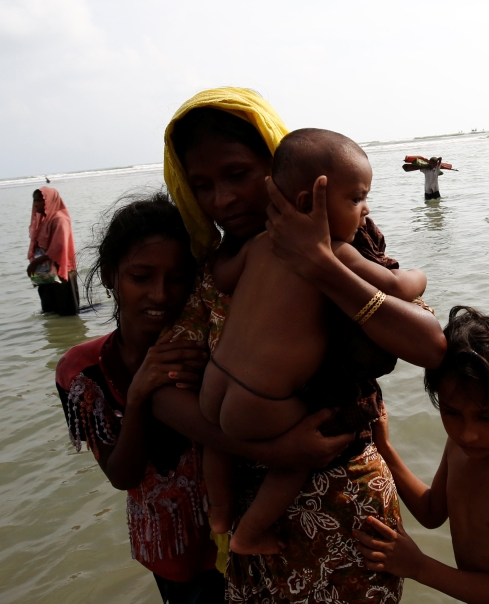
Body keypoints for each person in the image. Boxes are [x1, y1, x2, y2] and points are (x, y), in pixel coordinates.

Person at [156, 87, 446, 602]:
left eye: (238, 175)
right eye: (201, 185)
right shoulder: (206, 272)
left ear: (279, 172)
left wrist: (322, 267)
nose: (221, 199)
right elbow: (162, 391)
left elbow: (429, 345)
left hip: (347, 509)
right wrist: (274, 449)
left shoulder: (353, 242)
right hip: (260, 521)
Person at [198, 129, 429, 555]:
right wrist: (420, 276)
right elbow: (396, 288)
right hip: (262, 401)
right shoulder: (337, 253)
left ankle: (220, 510)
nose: (366, 209)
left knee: (215, 436)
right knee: (306, 449)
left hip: (216, 382)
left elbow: (222, 277)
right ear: (310, 203)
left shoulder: (258, 244)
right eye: (357, 198)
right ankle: (249, 533)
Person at [55, 194, 224, 602]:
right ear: (111, 276)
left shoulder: (216, 347)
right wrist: (137, 396)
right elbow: (122, 476)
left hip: (242, 537)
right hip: (171, 553)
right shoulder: (82, 371)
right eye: (141, 276)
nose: (160, 294)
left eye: (178, 277)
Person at [353, 306, 489, 604]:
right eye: (451, 412)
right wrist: (385, 449)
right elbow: (431, 512)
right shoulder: (458, 448)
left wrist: (418, 566)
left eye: (487, 417)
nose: (467, 434)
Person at [27, 187, 79, 315]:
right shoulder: (44, 220)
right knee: (50, 312)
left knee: (67, 312)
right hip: (47, 272)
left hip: (61, 271)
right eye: (35, 201)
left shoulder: (59, 219)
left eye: (40, 200)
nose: (36, 204)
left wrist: (34, 263)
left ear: (50, 200)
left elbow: (59, 247)